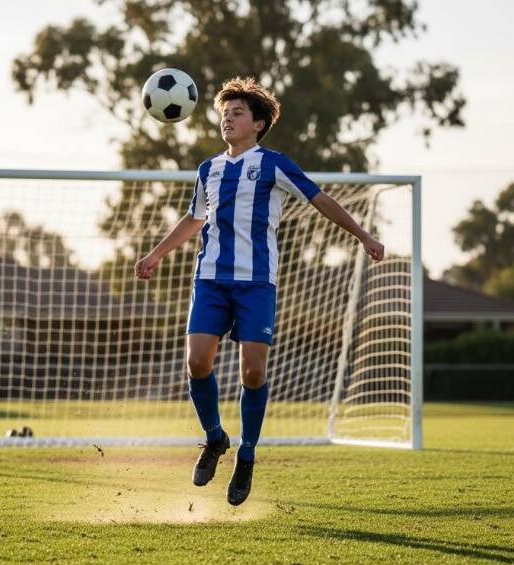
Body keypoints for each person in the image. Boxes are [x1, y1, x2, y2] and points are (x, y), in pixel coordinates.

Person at [134, 77, 384, 506]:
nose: (227, 120)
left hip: (257, 284)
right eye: (223, 114)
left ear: (259, 123)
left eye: (237, 113)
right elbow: (195, 219)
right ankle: (215, 438)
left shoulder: (274, 164)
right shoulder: (207, 169)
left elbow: (319, 199)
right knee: (197, 361)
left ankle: (246, 453)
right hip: (210, 278)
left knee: (253, 372)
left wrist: (362, 234)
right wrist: (156, 254)